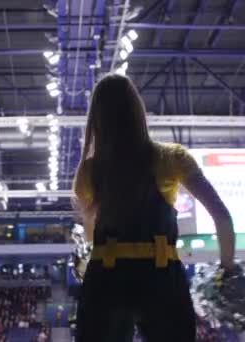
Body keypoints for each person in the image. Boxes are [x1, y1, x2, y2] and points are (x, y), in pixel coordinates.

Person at [73, 74, 235, 342]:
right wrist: (227, 269)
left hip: (106, 279)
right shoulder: (172, 158)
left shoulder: (89, 171)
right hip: (161, 278)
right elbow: (222, 216)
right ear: (138, 110)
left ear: (97, 119)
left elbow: (91, 238)